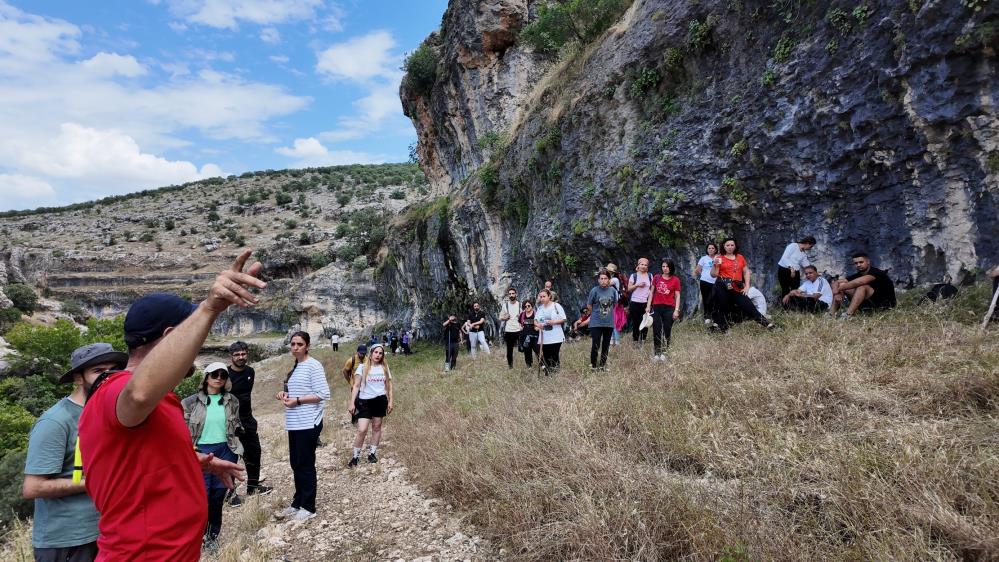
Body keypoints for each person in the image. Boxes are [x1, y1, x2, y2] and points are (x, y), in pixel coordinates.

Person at [78, 252, 260, 561]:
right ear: (172, 337)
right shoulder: (116, 389)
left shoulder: (161, 400)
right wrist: (208, 308)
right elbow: (136, 397)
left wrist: (196, 461)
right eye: (192, 334)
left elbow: (137, 454)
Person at [23, 343, 126, 562]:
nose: (107, 377)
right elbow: (33, 487)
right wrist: (98, 482)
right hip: (66, 540)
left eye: (112, 370)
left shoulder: (108, 413)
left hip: (106, 533)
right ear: (78, 378)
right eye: (98, 371)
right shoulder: (56, 421)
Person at [181, 363, 243, 550]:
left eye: (222, 375)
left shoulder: (232, 400)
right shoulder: (189, 402)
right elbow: (183, 430)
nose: (218, 378)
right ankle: (196, 536)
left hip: (226, 450)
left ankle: (212, 537)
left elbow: (236, 425)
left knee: (217, 497)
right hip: (199, 452)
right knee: (201, 497)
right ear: (206, 377)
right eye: (214, 374)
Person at [273, 332, 330, 521]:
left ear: (307, 346)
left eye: (299, 344)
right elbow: (296, 391)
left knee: (305, 464)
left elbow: (323, 394)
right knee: (295, 463)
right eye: (293, 344)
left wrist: (297, 401)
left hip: (308, 422)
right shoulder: (296, 367)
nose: (295, 347)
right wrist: (283, 394)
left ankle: (308, 506)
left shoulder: (314, 365)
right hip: (294, 422)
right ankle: (297, 502)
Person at [226, 341, 271, 506]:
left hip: (248, 421)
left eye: (243, 354)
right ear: (231, 356)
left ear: (247, 354)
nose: (240, 357)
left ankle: (252, 487)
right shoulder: (224, 375)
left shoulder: (250, 372)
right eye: (237, 355)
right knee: (231, 457)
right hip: (229, 423)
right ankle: (230, 494)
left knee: (254, 453)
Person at [709, 238, 776, 332]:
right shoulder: (720, 258)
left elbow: (746, 272)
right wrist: (715, 264)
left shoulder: (740, 257)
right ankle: (723, 329)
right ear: (723, 246)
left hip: (736, 287)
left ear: (735, 246)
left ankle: (769, 326)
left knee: (749, 306)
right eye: (727, 245)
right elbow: (714, 275)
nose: (730, 247)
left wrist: (747, 286)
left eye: (732, 245)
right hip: (722, 286)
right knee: (723, 307)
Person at [346, 344, 394, 467]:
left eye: (380, 353)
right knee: (362, 429)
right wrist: (352, 402)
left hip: (380, 400)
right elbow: (356, 386)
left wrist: (390, 400)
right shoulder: (362, 367)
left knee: (377, 427)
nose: (378, 355)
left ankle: (372, 453)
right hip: (365, 401)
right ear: (371, 353)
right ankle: (355, 456)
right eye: (376, 352)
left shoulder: (384, 367)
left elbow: (389, 385)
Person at [829, 253, 897, 317]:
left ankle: (848, 315)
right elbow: (836, 282)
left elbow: (860, 282)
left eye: (861, 262)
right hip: (868, 304)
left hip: (884, 305)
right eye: (856, 263)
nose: (858, 265)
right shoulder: (858, 275)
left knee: (862, 287)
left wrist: (838, 289)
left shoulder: (877, 272)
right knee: (842, 284)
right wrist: (836, 292)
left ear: (868, 262)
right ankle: (831, 314)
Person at [647, 259, 682, 361]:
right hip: (657, 307)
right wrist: (648, 306)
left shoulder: (675, 280)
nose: (665, 269)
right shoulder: (657, 277)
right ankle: (657, 353)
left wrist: (676, 310)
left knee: (667, 330)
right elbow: (651, 292)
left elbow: (677, 296)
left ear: (671, 267)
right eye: (663, 266)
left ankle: (665, 352)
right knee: (656, 330)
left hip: (669, 308)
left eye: (667, 266)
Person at [586, 270, 618, 369]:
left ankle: (602, 365)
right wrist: (595, 314)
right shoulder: (594, 290)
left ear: (609, 280)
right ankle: (593, 366)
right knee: (595, 344)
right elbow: (589, 305)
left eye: (605, 279)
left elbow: (614, 304)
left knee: (606, 345)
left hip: (608, 323)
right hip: (596, 323)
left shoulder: (613, 291)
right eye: (601, 279)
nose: (603, 281)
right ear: (598, 280)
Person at [534, 289, 566, 374]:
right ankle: (550, 374)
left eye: (544, 296)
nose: (542, 298)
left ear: (549, 296)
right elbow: (535, 320)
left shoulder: (556, 306)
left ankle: (556, 373)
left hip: (556, 336)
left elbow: (564, 319)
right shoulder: (540, 308)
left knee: (554, 355)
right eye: (540, 297)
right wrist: (538, 325)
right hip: (544, 337)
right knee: (546, 356)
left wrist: (553, 322)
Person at [627, 258, 654, 342]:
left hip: (645, 302)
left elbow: (651, 292)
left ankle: (643, 340)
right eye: (642, 264)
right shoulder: (634, 276)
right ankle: (635, 340)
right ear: (638, 265)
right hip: (635, 302)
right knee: (636, 322)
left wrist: (649, 305)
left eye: (645, 265)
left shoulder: (650, 276)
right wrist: (637, 285)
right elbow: (629, 289)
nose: (643, 266)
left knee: (646, 322)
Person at [341, 344, 367, 424]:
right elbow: (345, 371)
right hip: (355, 385)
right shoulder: (351, 360)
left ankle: (363, 418)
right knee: (355, 402)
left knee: (364, 402)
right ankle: (354, 420)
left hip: (364, 385)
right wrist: (350, 381)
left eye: (364, 353)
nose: (362, 355)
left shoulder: (368, 360)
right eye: (360, 353)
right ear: (357, 352)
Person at [693, 243, 718, 325]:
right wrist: (704, 275)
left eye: (712, 248)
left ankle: (715, 317)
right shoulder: (703, 258)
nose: (711, 249)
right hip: (705, 282)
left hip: (716, 282)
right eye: (709, 248)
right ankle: (707, 317)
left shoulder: (718, 258)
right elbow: (697, 270)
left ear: (715, 249)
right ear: (707, 250)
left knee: (714, 299)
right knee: (706, 299)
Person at [499, 287, 523, 368]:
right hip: (508, 330)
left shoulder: (520, 304)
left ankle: (527, 364)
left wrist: (521, 317)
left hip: (518, 330)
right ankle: (510, 366)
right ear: (508, 295)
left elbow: (524, 316)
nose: (511, 295)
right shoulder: (505, 305)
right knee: (509, 350)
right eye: (510, 294)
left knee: (524, 348)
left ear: (516, 294)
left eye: (513, 293)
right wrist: (505, 318)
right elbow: (500, 317)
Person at [606, 263, 626, 345]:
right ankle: (612, 341)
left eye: (607, 271)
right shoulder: (613, 279)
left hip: (615, 304)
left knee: (614, 323)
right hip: (610, 303)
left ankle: (616, 342)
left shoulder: (614, 280)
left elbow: (604, 284)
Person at [519, 300, 538, 368]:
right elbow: (520, 324)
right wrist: (520, 327)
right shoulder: (522, 315)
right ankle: (529, 367)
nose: (527, 307)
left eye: (528, 306)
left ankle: (542, 366)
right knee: (527, 353)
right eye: (525, 306)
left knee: (538, 351)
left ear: (532, 306)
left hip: (535, 336)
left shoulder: (536, 314)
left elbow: (540, 324)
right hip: (525, 336)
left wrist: (537, 328)